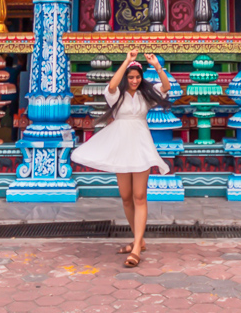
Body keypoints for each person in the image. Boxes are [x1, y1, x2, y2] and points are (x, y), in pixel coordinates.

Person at [70, 49, 171, 267]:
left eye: (137, 78)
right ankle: (139, 240)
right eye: (131, 78)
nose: (134, 81)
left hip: (141, 145)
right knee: (126, 196)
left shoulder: (146, 94)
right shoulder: (117, 94)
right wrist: (127, 62)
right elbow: (112, 85)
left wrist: (156, 66)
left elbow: (166, 87)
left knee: (139, 196)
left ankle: (136, 248)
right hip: (121, 145)